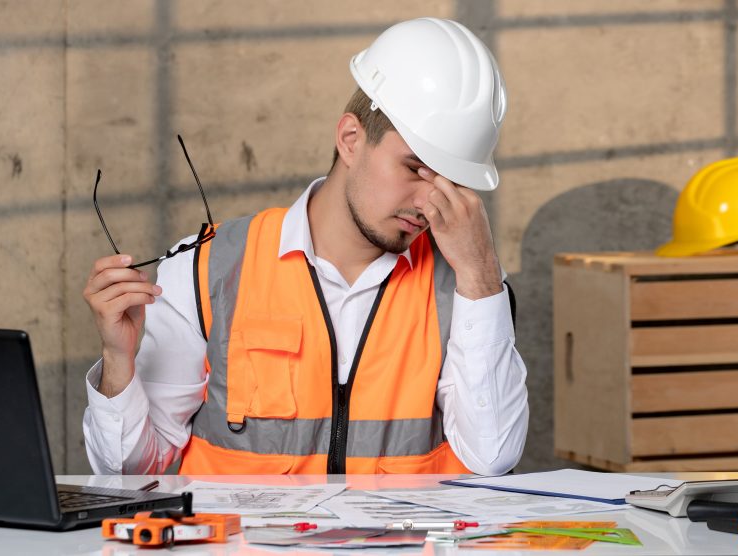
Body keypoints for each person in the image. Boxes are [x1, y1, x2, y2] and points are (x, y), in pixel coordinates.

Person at [82, 17, 529, 475]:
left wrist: (480, 274)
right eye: (415, 169)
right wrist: (119, 361)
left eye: (451, 182)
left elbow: (492, 456)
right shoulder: (207, 269)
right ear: (351, 140)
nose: (428, 203)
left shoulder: (469, 286)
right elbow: (130, 476)